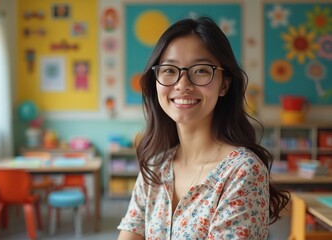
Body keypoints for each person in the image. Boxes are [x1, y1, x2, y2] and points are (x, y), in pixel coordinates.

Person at [117, 16, 290, 239]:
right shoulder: (155, 166)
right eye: (169, 70)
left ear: (224, 84)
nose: (182, 84)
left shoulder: (242, 171)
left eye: (200, 70)